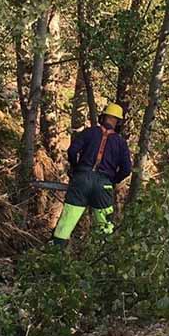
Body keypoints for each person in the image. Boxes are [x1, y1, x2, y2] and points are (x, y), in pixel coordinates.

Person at [51, 103, 133, 245]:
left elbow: (72, 151)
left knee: (65, 224)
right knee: (105, 228)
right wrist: (111, 181)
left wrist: (76, 169)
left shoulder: (90, 132)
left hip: (82, 179)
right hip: (104, 184)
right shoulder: (121, 143)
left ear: (103, 117)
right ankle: (102, 261)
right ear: (119, 122)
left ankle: (54, 254)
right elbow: (126, 169)